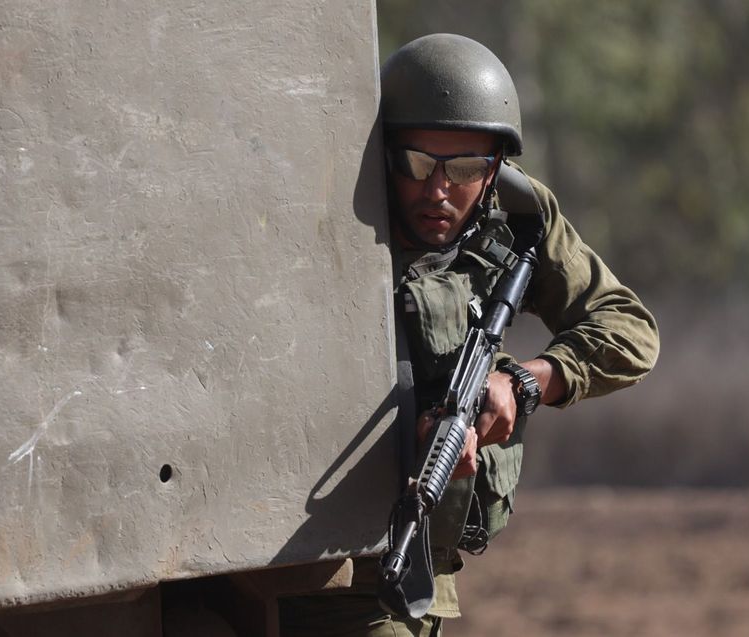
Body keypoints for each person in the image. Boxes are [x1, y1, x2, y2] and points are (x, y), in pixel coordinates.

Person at [278, 33, 660, 636]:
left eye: (463, 168)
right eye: (417, 163)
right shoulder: (321, 210)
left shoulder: (519, 221)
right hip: (288, 565)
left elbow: (629, 329)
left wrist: (524, 383)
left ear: (496, 171)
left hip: (402, 574)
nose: (438, 189)